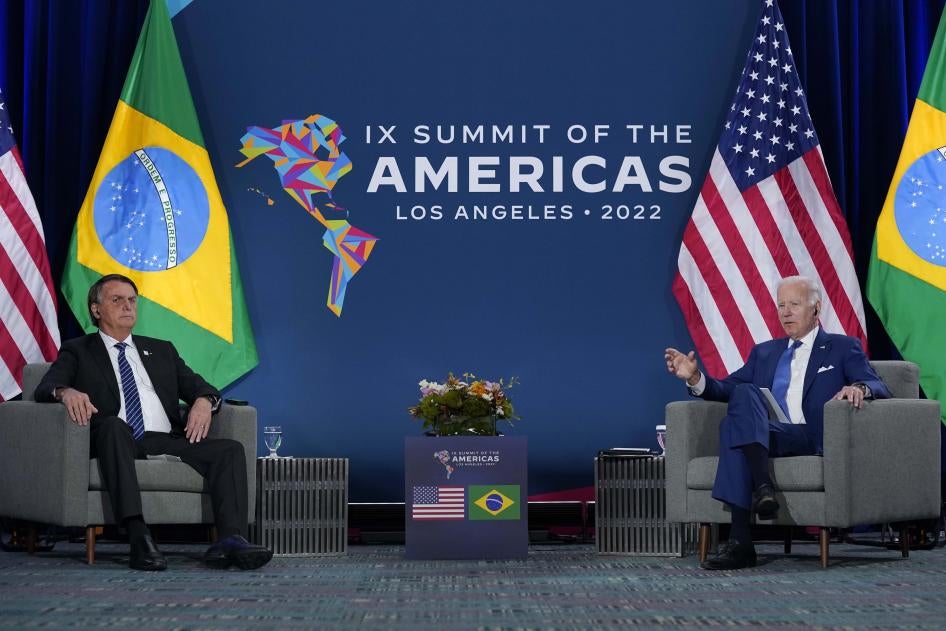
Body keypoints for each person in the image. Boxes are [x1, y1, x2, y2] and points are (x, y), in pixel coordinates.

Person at [35, 274, 273, 571]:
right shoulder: (79, 350)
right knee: (112, 426)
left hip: (163, 438)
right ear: (96, 310)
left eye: (132, 300)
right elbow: (46, 386)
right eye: (117, 300)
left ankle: (230, 540)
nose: (127, 306)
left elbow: (202, 387)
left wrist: (204, 401)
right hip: (115, 439)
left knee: (229, 449)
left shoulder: (162, 350)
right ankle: (137, 535)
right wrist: (66, 391)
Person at [664, 275, 890, 570]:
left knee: (732, 430)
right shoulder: (765, 352)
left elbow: (879, 384)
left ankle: (742, 539)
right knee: (743, 396)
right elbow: (726, 389)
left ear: (816, 309)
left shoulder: (842, 347)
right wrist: (695, 378)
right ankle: (762, 490)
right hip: (767, 432)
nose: (785, 312)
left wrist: (859, 388)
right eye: (781, 305)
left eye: (794, 305)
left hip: (810, 435)